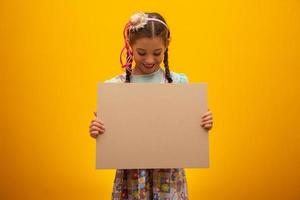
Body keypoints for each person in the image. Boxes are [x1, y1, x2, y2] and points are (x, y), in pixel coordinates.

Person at [89, 11, 213, 200]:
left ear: (166, 47)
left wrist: (202, 123)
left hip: (169, 177)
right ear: (130, 47)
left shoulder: (178, 83)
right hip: (132, 178)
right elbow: (110, 136)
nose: (149, 60)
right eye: (141, 52)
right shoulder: (116, 87)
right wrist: (98, 129)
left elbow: (188, 130)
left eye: (157, 53)